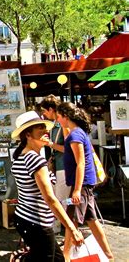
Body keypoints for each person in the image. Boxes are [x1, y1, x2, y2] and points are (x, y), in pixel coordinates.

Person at [11, 111, 83, 261]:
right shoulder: (34, 159)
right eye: (39, 128)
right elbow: (50, 198)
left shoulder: (21, 156)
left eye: (45, 127)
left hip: (26, 219)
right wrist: (72, 228)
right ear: (28, 135)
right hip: (36, 222)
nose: (46, 131)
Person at [56, 102, 114, 260]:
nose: (57, 119)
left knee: (71, 220)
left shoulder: (75, 135)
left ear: (66, 117)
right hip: (84, 184)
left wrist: (76, 189)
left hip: (80, 184)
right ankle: (108, 255)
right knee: (91, 220)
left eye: (59, 117)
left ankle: (65, 257)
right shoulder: (77, 132)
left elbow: (80, 163)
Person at [39, 95, 71, 234]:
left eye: (45, 111)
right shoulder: (53, 126)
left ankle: (65, 226)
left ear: (51, 109)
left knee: (62, 199)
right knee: (58, 196)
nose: (44, 114)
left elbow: (68, 148)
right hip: (57, 165)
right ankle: (62, 225)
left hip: (65, 166)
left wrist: (50, 144)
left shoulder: (63, 125)